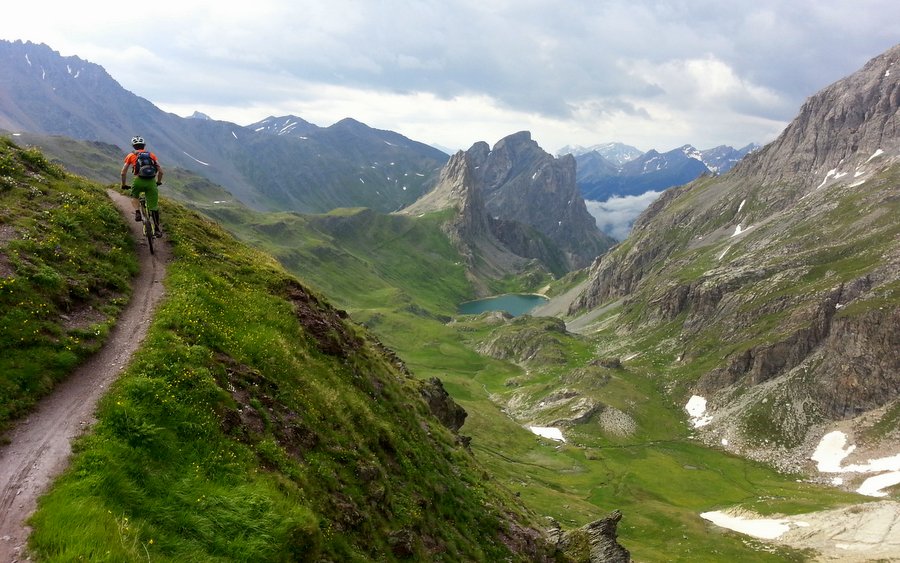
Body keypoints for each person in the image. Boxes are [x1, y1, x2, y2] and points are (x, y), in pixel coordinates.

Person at [120, 135, 164, 236]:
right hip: (151, 182)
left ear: (133, 146)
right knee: (154, 207)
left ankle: (137, 212)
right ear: (144, 145)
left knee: (134, 196)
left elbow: (123, 172)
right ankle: (157, 229)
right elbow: (161, 171)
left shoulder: (130, 156)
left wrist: (123, 184)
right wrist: (158, 182)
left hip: (138, 181)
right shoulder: (151, 155)